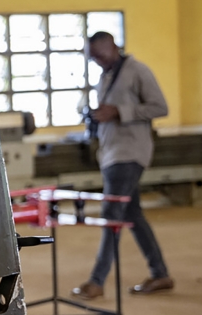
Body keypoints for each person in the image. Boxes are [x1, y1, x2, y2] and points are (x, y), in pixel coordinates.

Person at [72, 31, 174, 299]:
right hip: (111, 153)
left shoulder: (137, 71)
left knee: (111, 214)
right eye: (93, 58)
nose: (98, 62)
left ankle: (96, 281)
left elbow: (160, 107)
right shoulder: (105, 76)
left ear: (114, 47)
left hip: (129, 153)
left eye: (101, 56)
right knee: (133, 215)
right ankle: (160, 273)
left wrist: (119, 112)